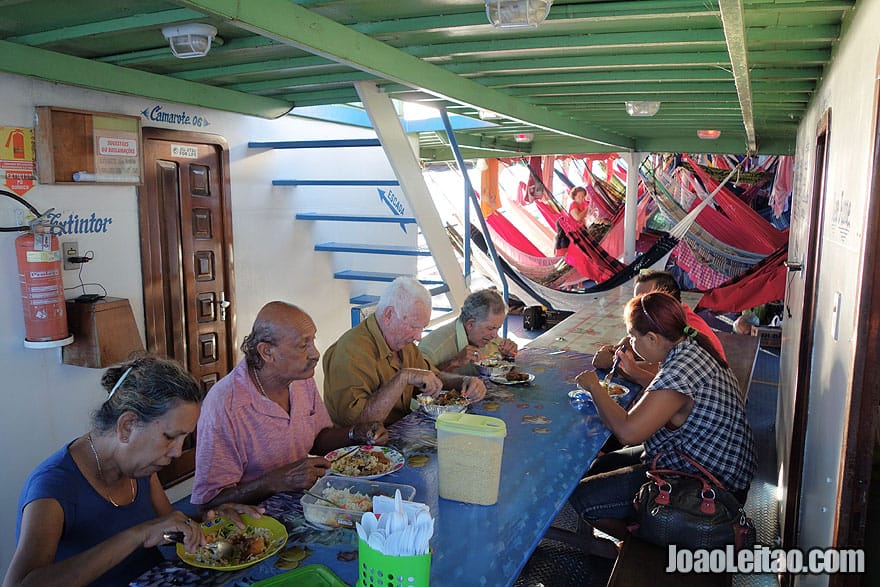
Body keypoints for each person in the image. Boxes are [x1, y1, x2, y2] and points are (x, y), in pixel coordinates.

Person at [4, 357, 262, 587]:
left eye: (183, 438)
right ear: (127, 425)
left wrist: (210, 520)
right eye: (170, 437)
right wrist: (137, 535)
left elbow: (169, 530)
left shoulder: (142, 469)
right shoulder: (52, 488)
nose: (176, 452)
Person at [567, 291, 755, 553]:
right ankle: (643, 526)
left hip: (712, 488)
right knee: (602, 464)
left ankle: (645, 544)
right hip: (711, 463)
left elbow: (628, 432)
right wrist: (633, 372)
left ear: (653, 338)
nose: (631, 343)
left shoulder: (680, 370)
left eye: (634, 337)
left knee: (583, 498)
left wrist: (592, 387)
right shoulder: (692, 346)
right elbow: (669, 396)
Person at [191, 302, 388, 510]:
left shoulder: (299, 379)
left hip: (305, 503)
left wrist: (355, 433)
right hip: (257, 521)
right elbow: (208, 504)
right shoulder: (225, 406)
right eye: (303, 345)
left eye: (313, 340)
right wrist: (274, 482)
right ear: (267, 352)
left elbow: (317, 440)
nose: (315, 354)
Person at [323, 276, 487, 426]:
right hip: (364, 450)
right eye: (414, 327)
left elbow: (430, 376)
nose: (419, 337)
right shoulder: (351, 351)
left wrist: (463, 381)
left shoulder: (401, 342)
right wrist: (402, 378)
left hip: (400, 432)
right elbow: (356, 422)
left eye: (422, 328)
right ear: (389, 315)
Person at [592, 269, 727, 387]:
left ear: (664, 299)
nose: (637, 307)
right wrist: (619, 351)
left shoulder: (685, 328)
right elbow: (634, 341)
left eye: (645, 300)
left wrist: (614, 363)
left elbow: (659, 374)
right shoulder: (673, 317)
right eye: (636, 300)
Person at [419, 289, 518, 375]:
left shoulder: (491, 340)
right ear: (470, 324)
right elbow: (416, 386)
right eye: (490, 328)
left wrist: (508, 356)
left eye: (498, 328)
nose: (495, 335)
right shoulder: (432, 347)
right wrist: (454, 362)